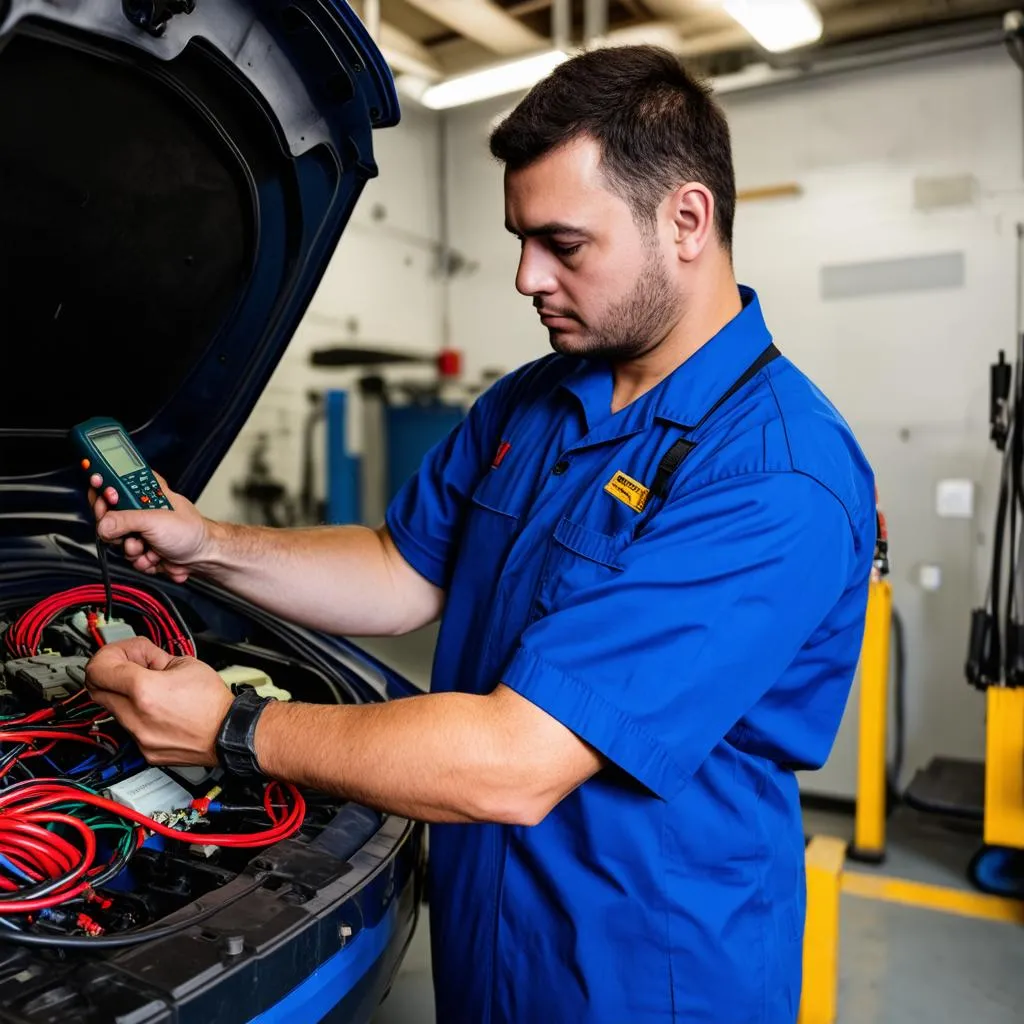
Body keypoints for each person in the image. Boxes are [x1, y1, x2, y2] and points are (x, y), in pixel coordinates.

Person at [84, 45, 875, 1024]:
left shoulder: (772, 475)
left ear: (684, 220)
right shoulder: (532, 404)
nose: (523, 276)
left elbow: (513, 760)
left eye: (562, 243)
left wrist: (231, 729)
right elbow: (399, 570)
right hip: (490, 942)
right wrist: (208, 543)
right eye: (518, 238)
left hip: (646, 977)